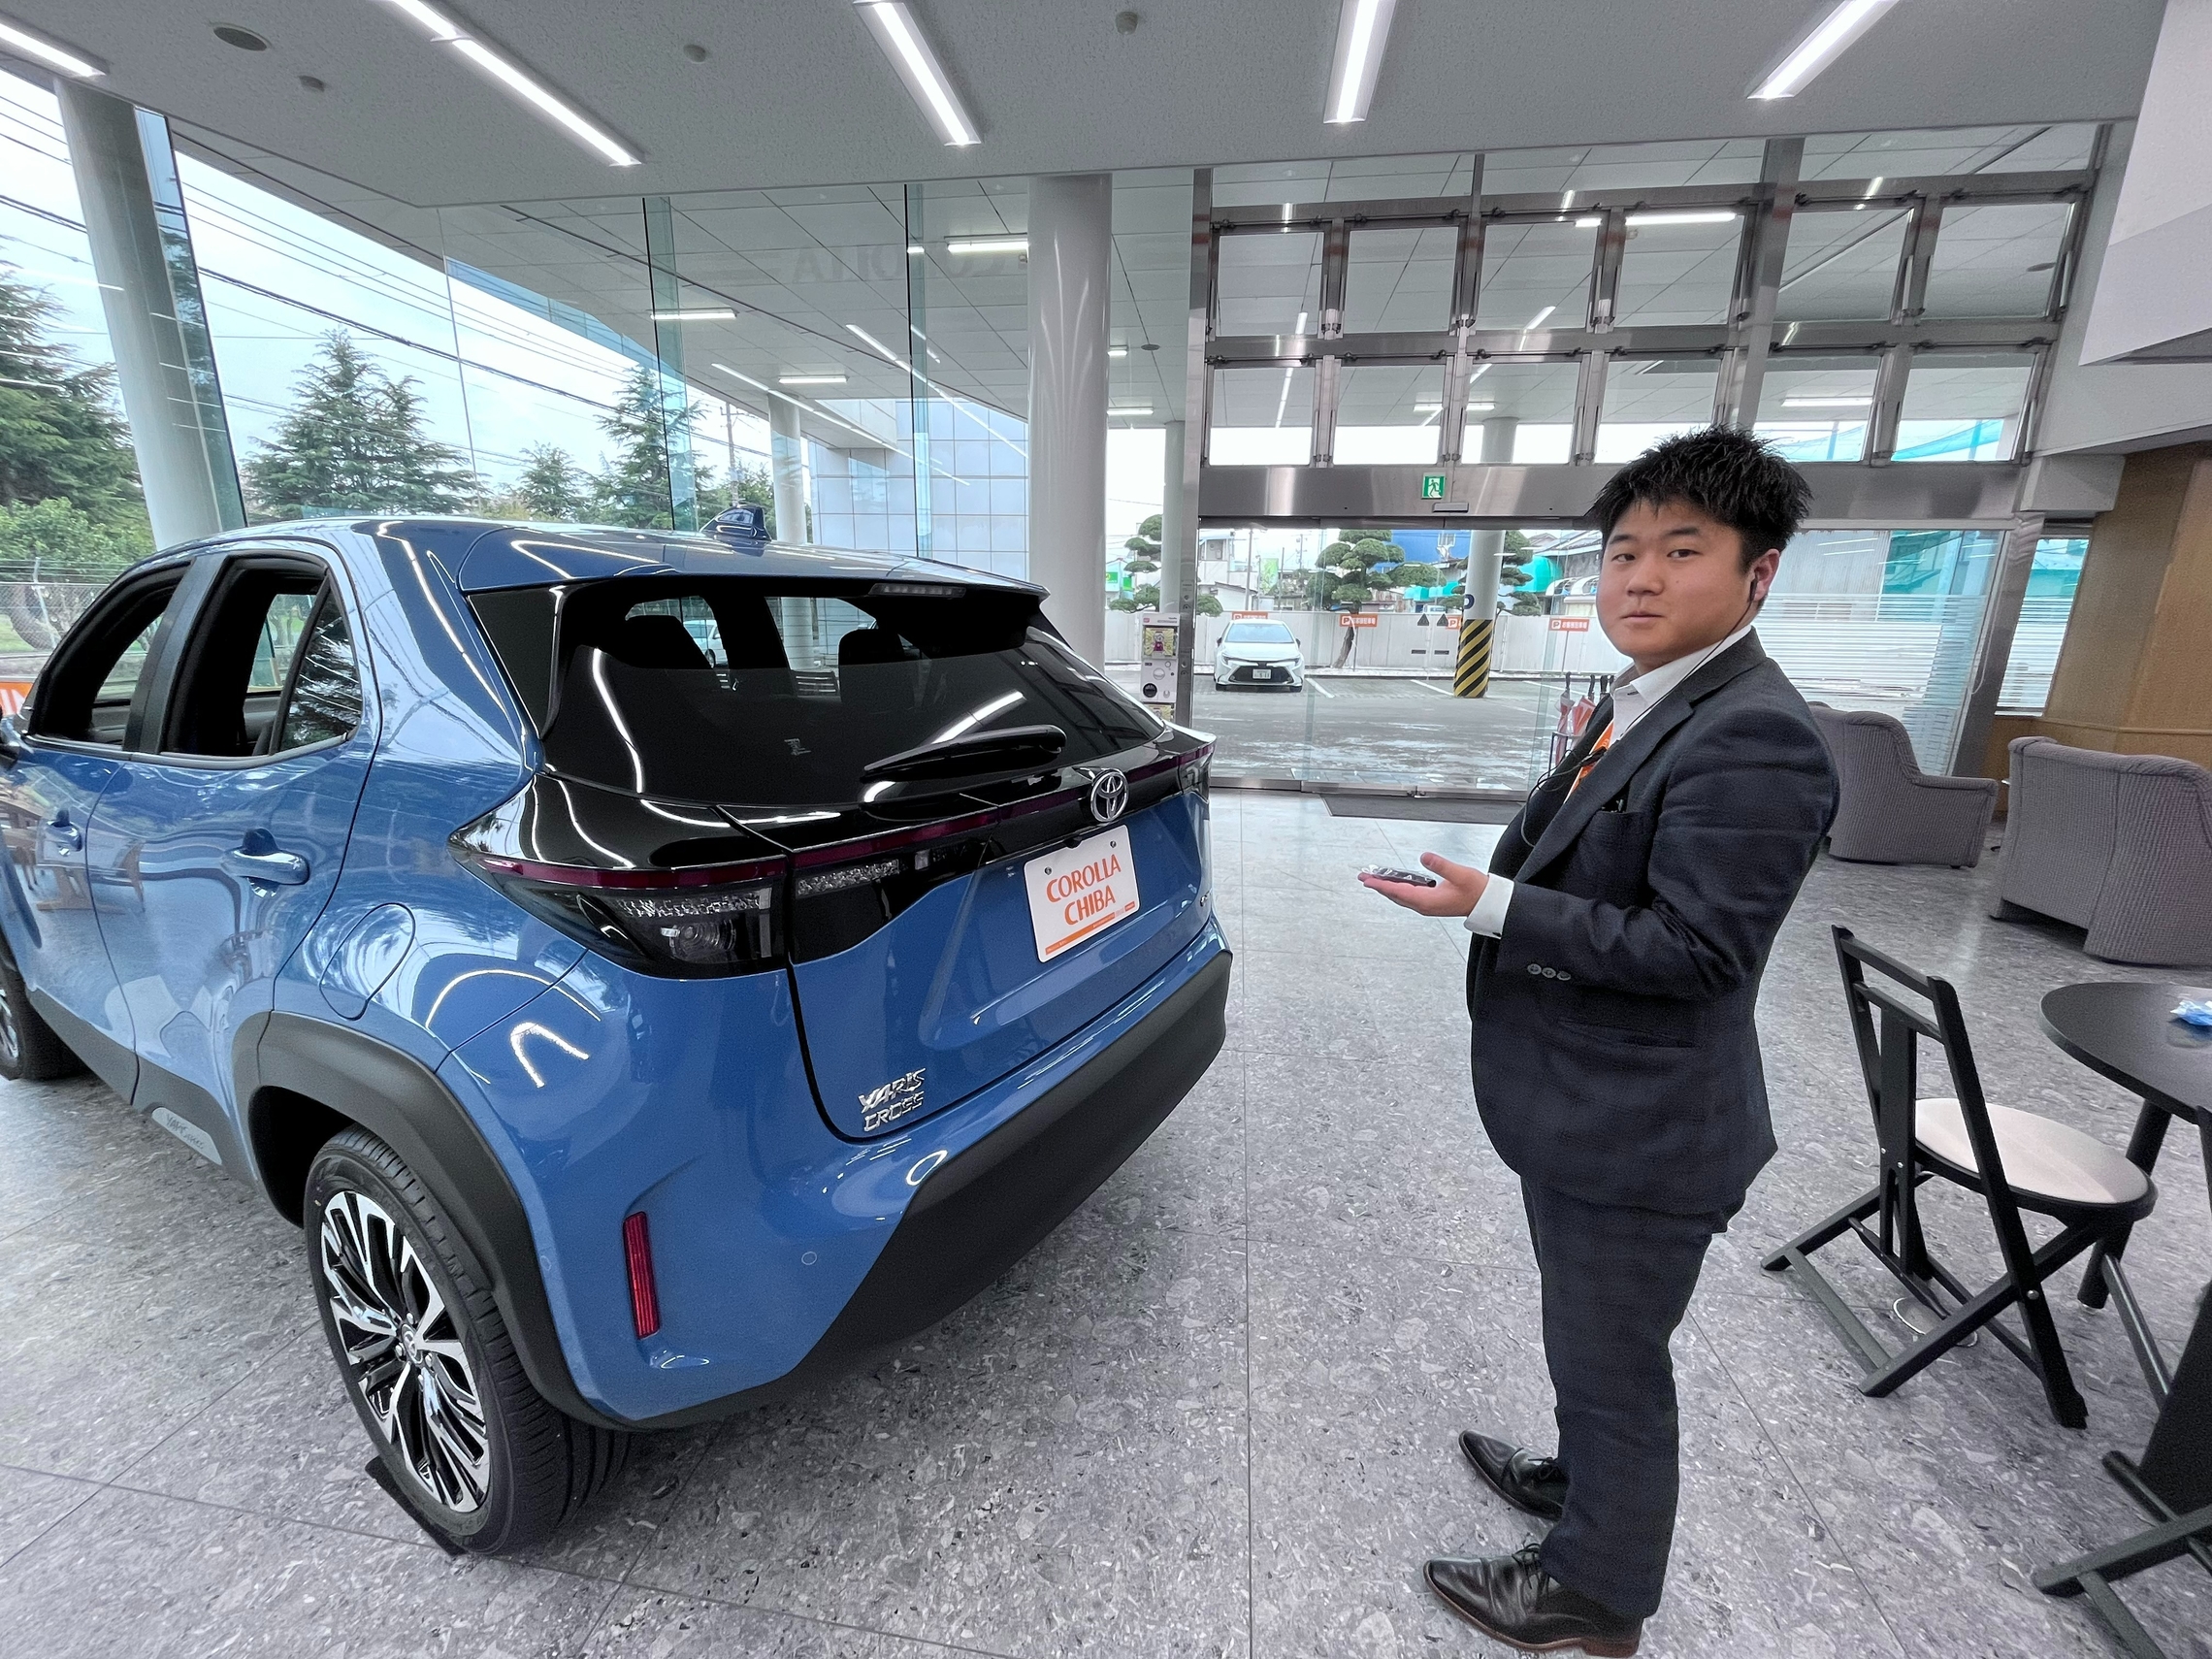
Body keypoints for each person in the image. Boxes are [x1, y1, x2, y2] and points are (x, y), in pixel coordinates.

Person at [1361, 427, 1839, 1656]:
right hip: (1586, 1105)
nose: (1640, 577)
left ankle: (1594, 1593)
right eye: (1624, 551)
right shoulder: (1653, 700)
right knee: (1589, 1341)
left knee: (1615, 1365)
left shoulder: (1756, 734)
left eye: (1683, 550)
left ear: (1758, 574)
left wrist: (1492, 906)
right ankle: (1583, 1483)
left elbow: (1700, 951)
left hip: (1645, 1130)